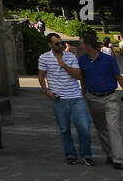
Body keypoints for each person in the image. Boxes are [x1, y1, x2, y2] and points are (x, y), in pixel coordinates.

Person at [37, 33, 94, 166]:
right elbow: (41, 75)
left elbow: (79, 76)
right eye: (57, 44)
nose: (60, 46)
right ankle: (71, 155)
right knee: (64, 129)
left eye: (61, 43)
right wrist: (46, 90)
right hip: (58, 99)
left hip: (75, 96)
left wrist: (64, 65)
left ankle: (86, 155)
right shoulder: (44, 58)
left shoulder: (70, 56)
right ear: (50, 44)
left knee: (84, 126)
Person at [77, 32, 123, 170]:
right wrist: (84, 93)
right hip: (93, 98)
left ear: (89, 45)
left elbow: (118, 76)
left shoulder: (108, 60)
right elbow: (82, 77)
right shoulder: (82, 60)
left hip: (110, 97)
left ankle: (118, 159)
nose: (80, 47)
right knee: (101, 128)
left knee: (112, 127)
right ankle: (110, 154)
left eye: (82, 44)